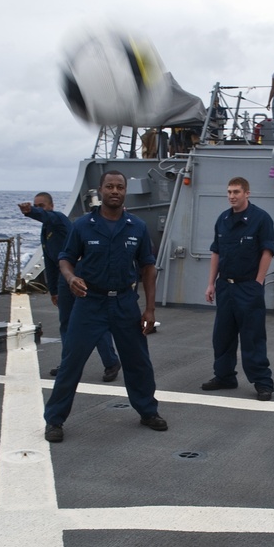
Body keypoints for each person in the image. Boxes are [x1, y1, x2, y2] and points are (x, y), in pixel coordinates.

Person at [43, 171, 167, 443]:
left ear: (125, 192)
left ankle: (148, 412)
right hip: (90, 303)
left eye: (120, 187)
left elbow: (148, 267)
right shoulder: (83, 225)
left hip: (125, 303)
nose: (115, 191)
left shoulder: (137, 227)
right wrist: (71, 277)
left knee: (139, 363)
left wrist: (150, 309)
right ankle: (54, 420)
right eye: (109, 186)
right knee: (71, 363)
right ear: (101, 190)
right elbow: (65, 259)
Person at [19, 192, 120, 381]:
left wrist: (30, 212)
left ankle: (111, 362)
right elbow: (51, 261)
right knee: (66, 324)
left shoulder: (58, 220)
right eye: (36, 205)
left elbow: (46, 215)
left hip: (81, 276)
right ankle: (67, 364)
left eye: (42, 205)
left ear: (51, 206)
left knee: (93, 322)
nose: (40, 208)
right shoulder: (46, 230)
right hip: (64, 281)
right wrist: (54, 291)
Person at [202, 177, 274, 401]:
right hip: (225, 286)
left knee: (252, 337)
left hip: (248, 287)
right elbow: (216, 252)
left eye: (236, 192)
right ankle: (225, 376)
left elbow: (267, 251)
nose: (232, 196)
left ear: (247, 193)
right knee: (222, 336)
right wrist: (211, 283)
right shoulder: (222, 219)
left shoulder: (261, 219)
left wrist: (258, 282)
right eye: (229, 192)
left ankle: (263, 382)